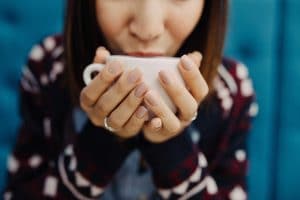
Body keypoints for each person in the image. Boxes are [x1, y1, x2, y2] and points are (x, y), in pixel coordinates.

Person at [3, 0, 257, 199]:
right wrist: (101, 139)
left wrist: (171, 145)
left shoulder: (230, 91)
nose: (147, 29)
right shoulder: (48, 69)